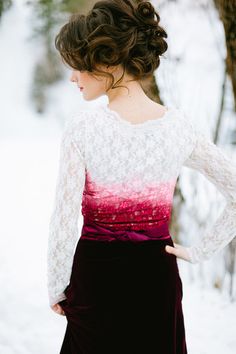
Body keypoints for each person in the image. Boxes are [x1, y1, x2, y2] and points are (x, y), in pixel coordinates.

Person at [47, 0, 236, 353]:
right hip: (156, 279)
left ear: (106, 60)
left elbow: (63, 216)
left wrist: (57, 285)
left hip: (96, 280)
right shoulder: (178, 128)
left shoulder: (83, 127)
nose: (72, 76)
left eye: (77, 65)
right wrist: (198, 252)